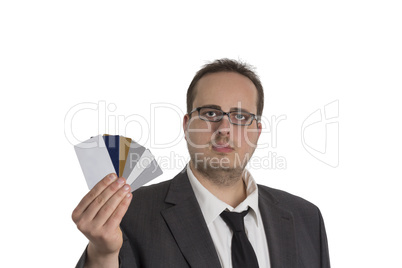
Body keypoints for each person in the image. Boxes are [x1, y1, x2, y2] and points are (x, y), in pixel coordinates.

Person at [72, 59, 331, 268]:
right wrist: (102, 256)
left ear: (258, 131)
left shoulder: (306, 218)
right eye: (210, 113)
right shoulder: (130, 214)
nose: (225, 128)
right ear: (186, 126)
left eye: (240, 116)